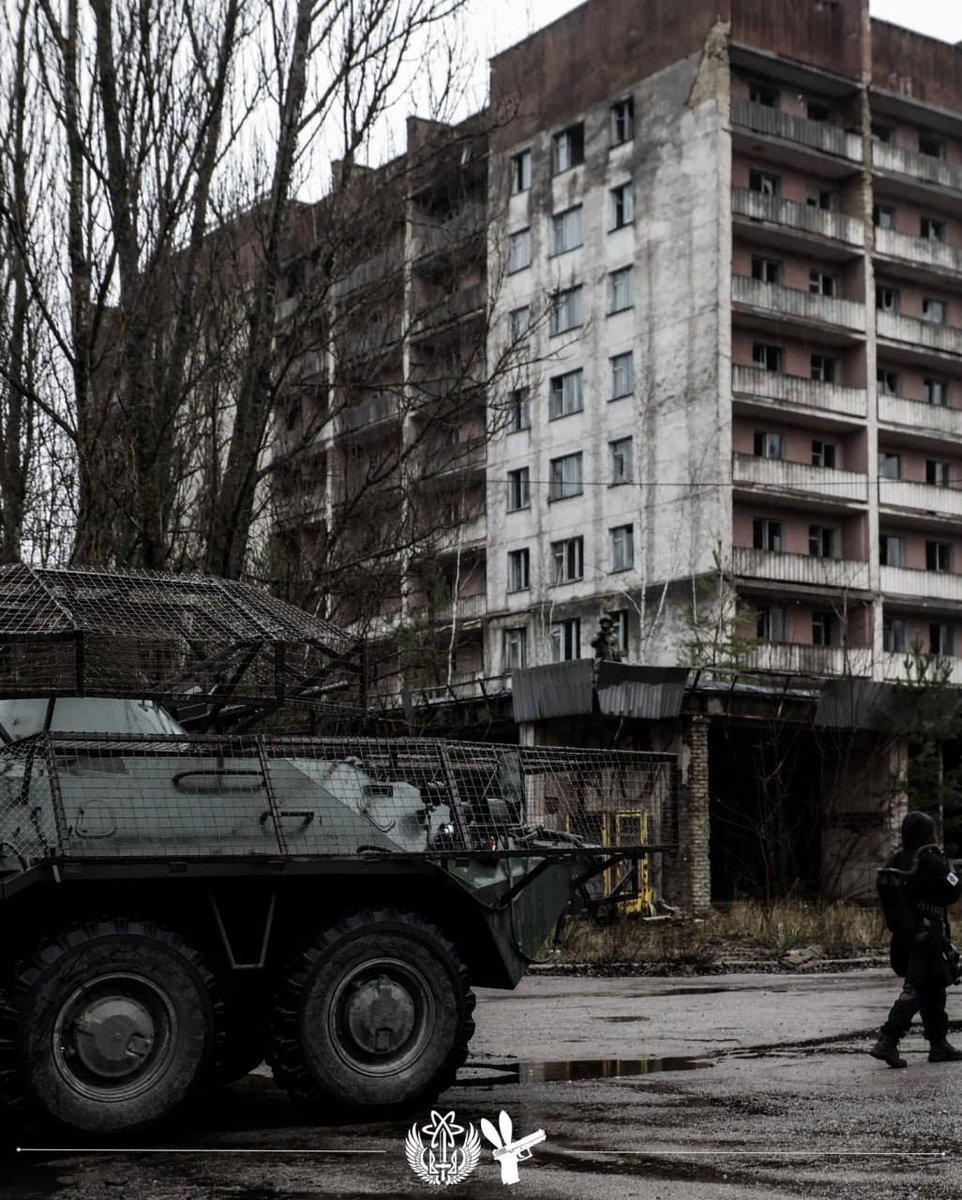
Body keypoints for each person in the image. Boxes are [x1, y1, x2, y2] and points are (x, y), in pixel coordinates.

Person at [871, 810, 962, 1068]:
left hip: (903, 938)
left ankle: (939, 1044)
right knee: (915, 990)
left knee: (933, 990)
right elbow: (952, 892)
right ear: (927, 834)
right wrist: (949, 867)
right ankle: (887, 1040)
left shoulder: (898, 859)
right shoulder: (929, 860)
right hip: (928, 938)